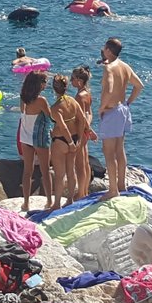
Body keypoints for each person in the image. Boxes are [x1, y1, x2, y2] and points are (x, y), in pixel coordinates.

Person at [98, 37, 144, 194]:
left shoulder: (109, 68)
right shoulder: (125, 66)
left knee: (108, 152)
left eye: (104, 47)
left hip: (112, 111)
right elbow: (139, 85)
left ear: (109, 51)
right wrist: (128, 102)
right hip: (123, 109)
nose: (103, 50)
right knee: (120, 149)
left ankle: (112, 190)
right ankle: (121, 184)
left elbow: (109, 89)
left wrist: (101, 108)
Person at [48, 73, 90, 208]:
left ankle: (57, 204)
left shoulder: (55, 108)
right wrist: (77, 139)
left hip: (61, 141)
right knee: (71, 171)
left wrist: (70, 143)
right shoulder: (73, 101)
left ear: (54, 89)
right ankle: (70, 199)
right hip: (75, 138)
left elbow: (62, 126)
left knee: (60, 175)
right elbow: (83, 119)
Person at [16, 71, 53, 211]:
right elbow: (50, 117)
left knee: (27, 171)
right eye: (44, 82)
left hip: (25, 137)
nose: (46, 85)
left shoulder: (23, 98)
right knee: (45, 170)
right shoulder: (41, 101)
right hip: (39, 137)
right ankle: (49, 201)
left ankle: (26, 203)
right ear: (39, 84)